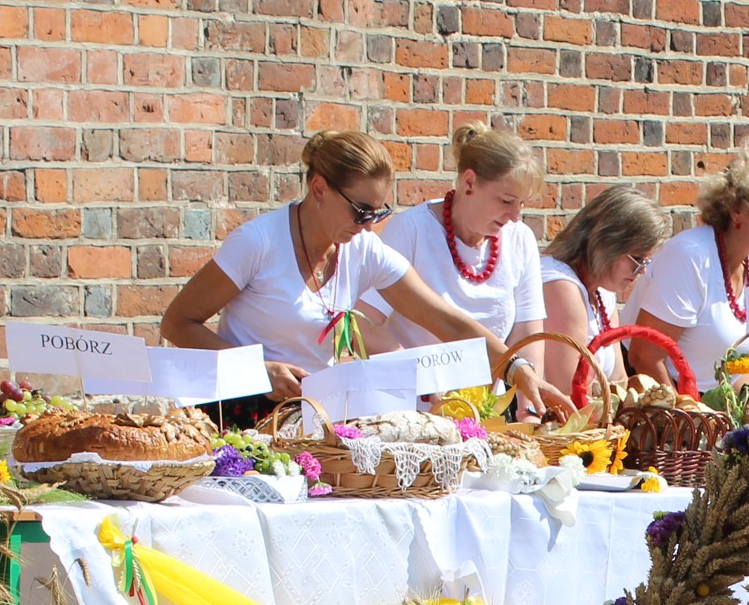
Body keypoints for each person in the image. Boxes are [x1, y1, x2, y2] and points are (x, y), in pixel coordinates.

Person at [157, 129, 563, 420]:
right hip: (238, 413)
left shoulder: (362, 248)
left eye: (378, 213)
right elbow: (177, 323)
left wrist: (517, 369)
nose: (369, 224)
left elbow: (446, 320)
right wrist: (259, 369)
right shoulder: (258, 242)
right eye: (361, 211)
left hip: (309, 417)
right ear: (319, 189)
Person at [626, 145, 749, 387]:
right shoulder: (690, 256)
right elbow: (645, 357)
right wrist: (686, 409)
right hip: (660, 396)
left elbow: (748, 359)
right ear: (737, 210)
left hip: (715, 399)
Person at [371, 124, 547, 357]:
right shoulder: (411, 229)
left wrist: (524, 380)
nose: (515, 217)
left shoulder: (521, 238)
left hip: (492, 382)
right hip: (415, 380)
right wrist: (417, 372)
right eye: (506, 201)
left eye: (521, 203)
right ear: (469, 182)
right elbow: (364, 322)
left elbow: (528, 335)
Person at [539, 186, 670, 397]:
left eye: (646, 261)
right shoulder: (562, 286)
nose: (642, 270)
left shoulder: (603, 291)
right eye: (637, 259)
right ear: (608, 243)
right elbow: (567, 391)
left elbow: (618, 378)